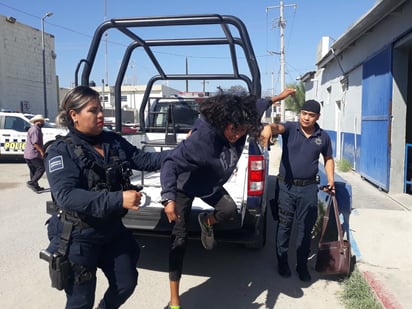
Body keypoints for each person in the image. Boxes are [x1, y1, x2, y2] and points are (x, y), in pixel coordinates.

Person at [160, 88, 296, 309]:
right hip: (184, 185)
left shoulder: (244, 117)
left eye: (243, 131)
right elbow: (170, 164)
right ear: (224, 121)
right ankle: (175, 299)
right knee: (179, 240)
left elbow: (263, 102)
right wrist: (168, 198)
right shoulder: (202, 140)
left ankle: (207, 221)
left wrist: (281, 97)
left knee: (230, 211)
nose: (237, 135)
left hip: (209, 183)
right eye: (233, 130)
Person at [44, 86, 168, 309]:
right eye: (93, 111)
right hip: (78, 234)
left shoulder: (112, 141)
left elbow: (145, 160)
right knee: (80, 301)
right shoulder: (61, 151)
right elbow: (66, 196)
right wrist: (118, 199)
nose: (101, 115)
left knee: (126, 282)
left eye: (100, 109)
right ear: (74, 115)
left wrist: (187, 150)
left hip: (111, 229)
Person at [268, 99, 335, 282]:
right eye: (304, 113)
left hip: (309, 189)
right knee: (284, 226)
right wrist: (268, 129)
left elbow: (328, 158)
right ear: (300, 113)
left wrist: (330, 179)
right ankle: (282, 262)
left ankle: (301, 265)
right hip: (286, 187)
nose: (306, 118)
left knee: (305, 228)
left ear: (317, 117)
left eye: (311, 115)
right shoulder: (290, 128)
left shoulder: (323, 137)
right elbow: (276, 128)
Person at [24, 114, 46, 192]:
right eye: (42, 121)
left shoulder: (34, 129)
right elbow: (35, 143)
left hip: (28, 154)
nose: (43, 123)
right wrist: (41, 152)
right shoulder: (35, 130)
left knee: (33, 170)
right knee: (41, 168)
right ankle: (32, 182)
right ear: (38, 121)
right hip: (33, 154)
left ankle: (35, 186)